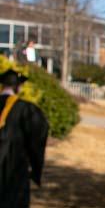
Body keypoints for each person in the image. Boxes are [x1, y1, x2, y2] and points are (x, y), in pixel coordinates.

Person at [0, 68, 49, 208]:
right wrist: (36, 168)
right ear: (18, 87)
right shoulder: (26, 109)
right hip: (13, 172)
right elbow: (37, 140)